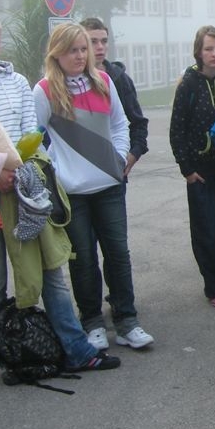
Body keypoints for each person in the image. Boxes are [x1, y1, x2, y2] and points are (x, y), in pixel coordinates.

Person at [0, 11, 119, 374]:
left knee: (51, 270)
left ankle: (76, 349)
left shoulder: (16, 80)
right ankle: (11, 354)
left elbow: (30, 129)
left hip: (24, 185)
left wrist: (15, 169)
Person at [34, 23, 154, 350]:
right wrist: (56, 169)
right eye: (72, 50)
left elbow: (120, 124)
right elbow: (33, 136)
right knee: (83, 258)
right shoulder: (44, 90)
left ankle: (127, 320)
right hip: (72, 193)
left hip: (109, 186)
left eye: (83, 49)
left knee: (118, 254)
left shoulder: (103, 81)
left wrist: (119, 157)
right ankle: (92, 322)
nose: (79, 55)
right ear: (56, 53)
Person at [169, 26, 215, 309]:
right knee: (207, 230)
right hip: (201, 173)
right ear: (199, 52)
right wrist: (187, 169)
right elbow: (177, 130)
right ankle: (214, 286)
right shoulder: (188, 85)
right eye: (209, 49)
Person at [81, 17, 150, 320]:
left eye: (103, 41)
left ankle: (123, 309)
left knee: (117, 250)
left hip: (112, 177)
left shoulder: (117, 79)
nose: (99, 47)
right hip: (76, 183)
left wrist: (127, 160)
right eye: (92, 41)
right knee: (84, 254)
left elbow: (137, 125)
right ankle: (91, 316)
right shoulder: (60, 81)